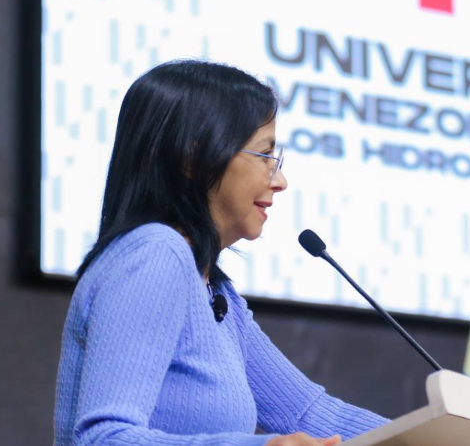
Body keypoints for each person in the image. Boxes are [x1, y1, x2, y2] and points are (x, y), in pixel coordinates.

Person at [53, 60, 389, 446]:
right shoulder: (153, 256)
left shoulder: (215, 292)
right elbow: (103, 439)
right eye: (265, 156)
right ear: (194, 159)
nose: (279, 180)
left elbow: (309, 414)